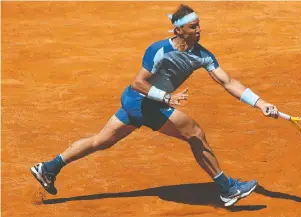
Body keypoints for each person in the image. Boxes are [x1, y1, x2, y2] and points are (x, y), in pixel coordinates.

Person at [30, 4, 279, 207]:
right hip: (142, 102)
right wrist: (167, 98)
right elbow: (139, 83)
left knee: (100, 141)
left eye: (199, 25)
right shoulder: (158, 50)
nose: (199, 29)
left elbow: (228, 81)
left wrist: (260, 103)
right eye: (194, 26)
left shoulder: (202, 54)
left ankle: (49, 168)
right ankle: (227, 189)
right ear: (179, 30)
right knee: (195, 133)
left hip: (137, 104)